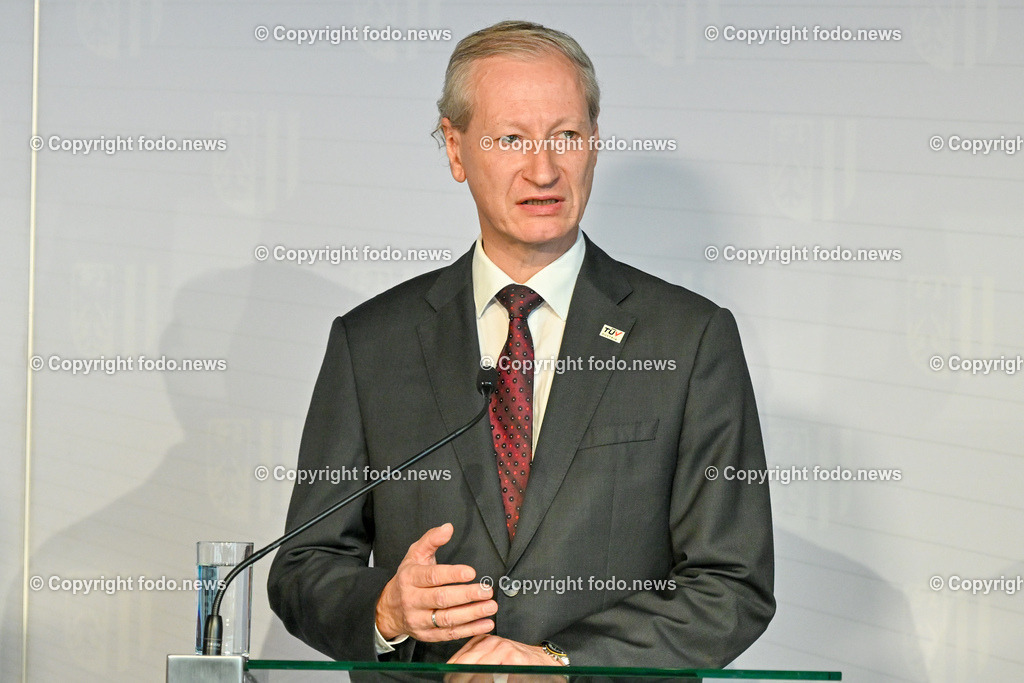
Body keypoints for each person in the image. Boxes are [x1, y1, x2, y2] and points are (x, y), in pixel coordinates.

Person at [267, 20, 774, 668]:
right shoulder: (372, 344)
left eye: (566, 135)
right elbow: (303, 569)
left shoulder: (690, 338)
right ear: (455, 149)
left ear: (594, 143)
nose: (544, 168)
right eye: (511, 138)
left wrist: (565, 665)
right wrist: (386, 608)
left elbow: (732, 584)